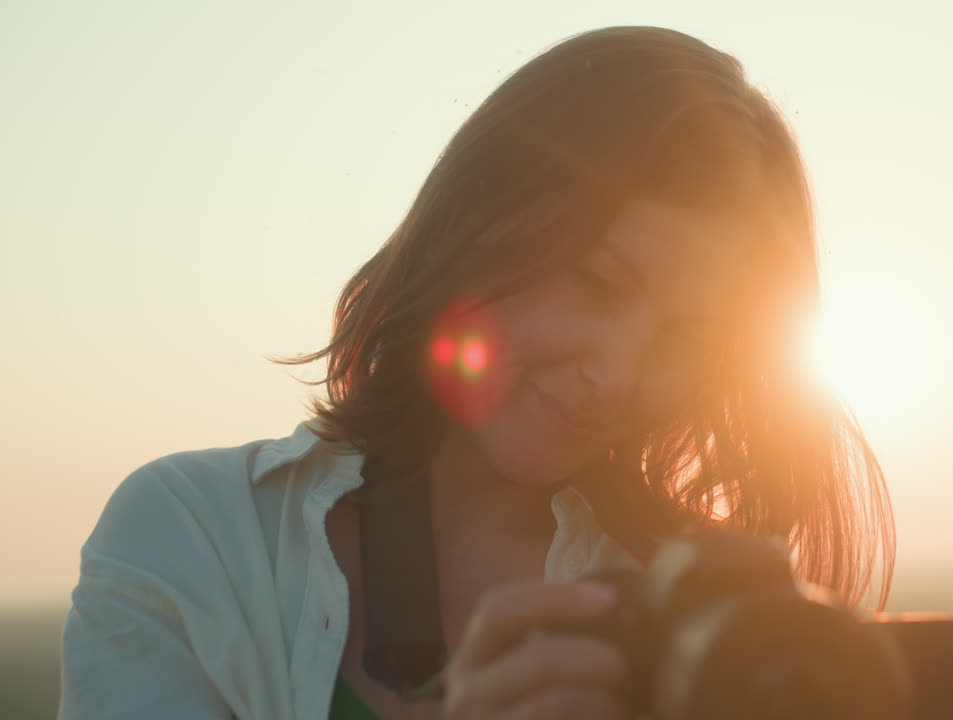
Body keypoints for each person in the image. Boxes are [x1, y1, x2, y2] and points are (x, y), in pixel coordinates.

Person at [58, 25, 895, 720]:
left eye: (688, 339)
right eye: (598, 283)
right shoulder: (200, 537)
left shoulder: (717, 624)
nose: (618, 372)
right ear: (475, 223)